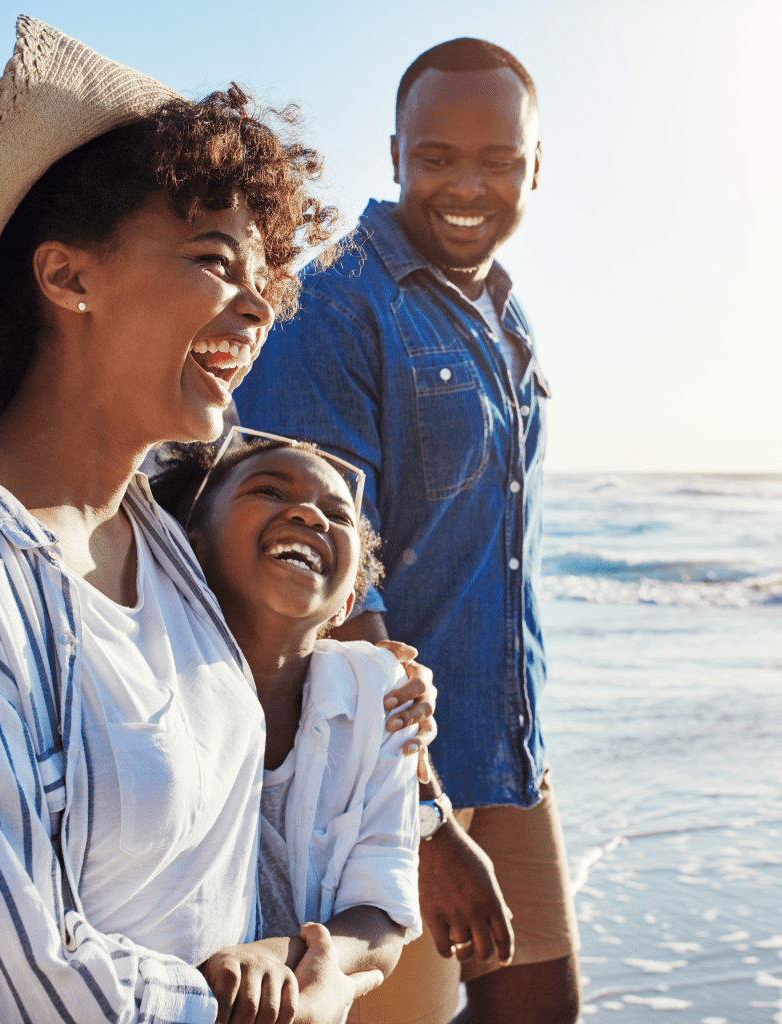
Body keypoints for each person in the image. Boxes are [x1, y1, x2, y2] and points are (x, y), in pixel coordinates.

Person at [0, 17, 436, 1024]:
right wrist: (267, 1011)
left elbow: (228, 819)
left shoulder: (162, 540)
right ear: (68, 276)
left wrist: (373, 694)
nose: (259, 308)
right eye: (213, 259)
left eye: (263, 277)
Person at [236, 38, 581, 1024]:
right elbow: (322, 582)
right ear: (394, 154)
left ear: (534, 165)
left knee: (541, 1011)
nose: (468, 185)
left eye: (499, 160)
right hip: (383, 775)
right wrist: (424, 816)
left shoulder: (503, 314)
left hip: (508, 750)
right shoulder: (338, 304)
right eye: (437, 158)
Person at [152, 431, 424, 1020]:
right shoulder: (144, 687)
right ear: (190, 547)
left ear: (349, 600)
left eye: (338, 514)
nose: (308, 514)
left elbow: (383, 914)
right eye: (270, 490)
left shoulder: (385, 697)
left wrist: (286, 954)